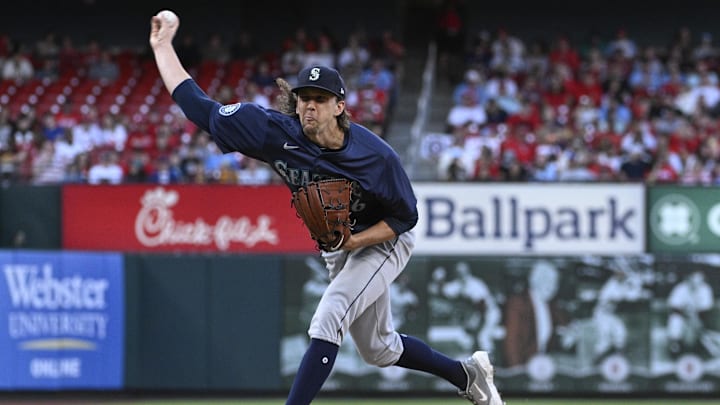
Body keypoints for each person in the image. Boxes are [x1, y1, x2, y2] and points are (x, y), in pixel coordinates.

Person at [149, 10, 503, 405]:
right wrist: (163, 47)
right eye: (304, 99)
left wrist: (356, 241)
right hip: (340, 245)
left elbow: (405, 218)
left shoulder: (376, 157)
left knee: (329, 315)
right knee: (379, 349)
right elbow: (199, 107)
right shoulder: (271, 131)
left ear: (340, 106)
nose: (309, 107)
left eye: (320, 99)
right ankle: (466, 374)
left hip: (383, 239)